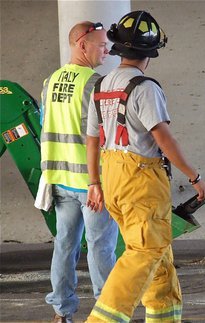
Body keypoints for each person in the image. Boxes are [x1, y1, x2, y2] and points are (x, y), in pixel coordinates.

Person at [85, 11, 205, 322]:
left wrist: (94, 182)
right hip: (141, 179)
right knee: (143, 253)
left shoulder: (101, 86)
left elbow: (92, 139)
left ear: (118, 49)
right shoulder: (145, 87)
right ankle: (102, 320)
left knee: (158, 251)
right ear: (149, 55)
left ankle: (164, 317)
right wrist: (194, 176)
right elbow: (163, 137)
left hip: (112, 176)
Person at [40, 21, 118, 323]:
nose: (107, 50)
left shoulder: (50, 81)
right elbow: (96, 136)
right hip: (89, 183)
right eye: (101, 45)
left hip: (59, 179)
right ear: (82, 45)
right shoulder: (94, 82)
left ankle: (62, 312)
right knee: (101, 247)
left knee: (65, 245)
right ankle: (107, 312)